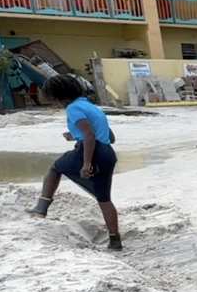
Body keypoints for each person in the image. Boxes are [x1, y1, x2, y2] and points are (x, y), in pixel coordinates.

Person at [25, 75, 123, 252]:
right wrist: (77, 135)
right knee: (104, 199)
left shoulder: (73, 108)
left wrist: (86, 162)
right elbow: (110, 137)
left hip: (92, 152)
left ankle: (42, 206)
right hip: (107, 153)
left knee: (55, 168)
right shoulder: (93, 107)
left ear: (56, 96)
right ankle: (115, 240)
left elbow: (90, 134)